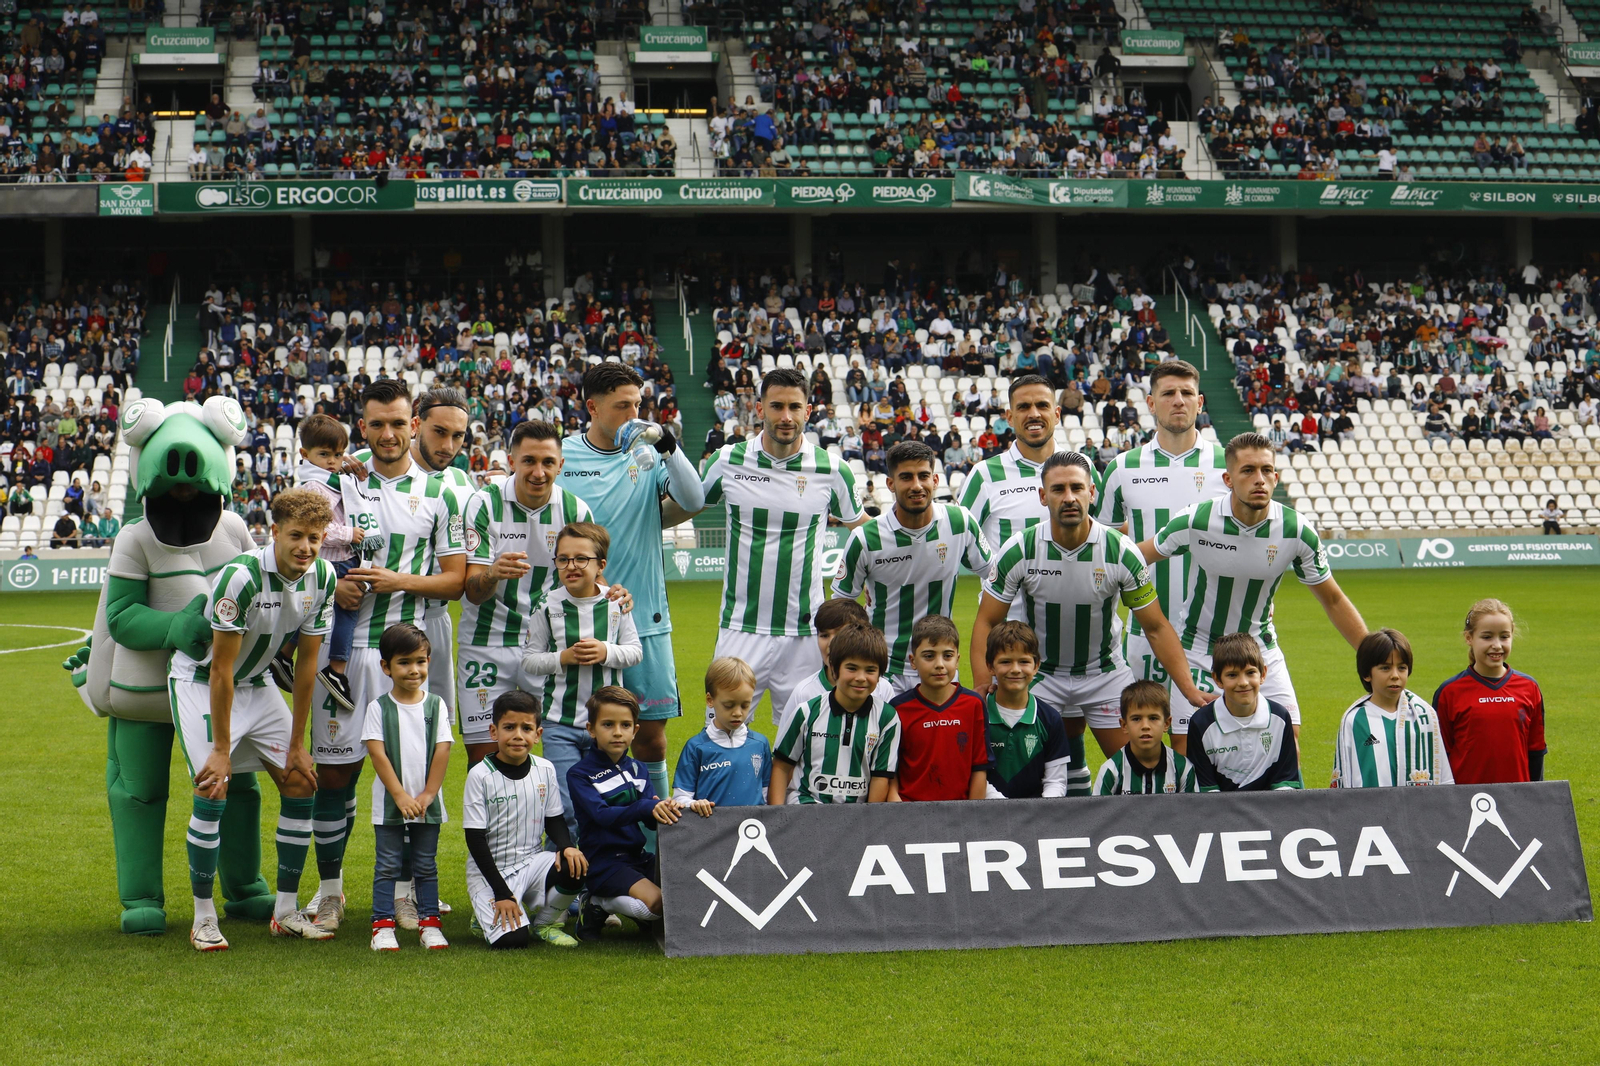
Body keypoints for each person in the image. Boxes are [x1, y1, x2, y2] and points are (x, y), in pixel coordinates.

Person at [307, 380, 466, 934]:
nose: (388, 434)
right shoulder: (337, 483)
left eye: (398, 423)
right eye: (376, 424)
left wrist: (393, 579)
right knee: (335, 775)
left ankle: (402, 892)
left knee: (410, 777)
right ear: (363, 426)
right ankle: (330, 893)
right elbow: (298, 555)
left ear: (415, 422)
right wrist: (335, 585)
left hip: (407, 663)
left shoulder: (442, 493)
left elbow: (454, 582)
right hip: (344, 654)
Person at [972, 451, 1207, 787]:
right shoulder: (1020, 548)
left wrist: (1189, 689)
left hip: (1104, 676)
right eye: (1058, 489)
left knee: (1137, 771)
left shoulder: (1121, 550)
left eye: (1077, 488)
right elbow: (987, 621)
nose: (1069, 497)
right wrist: (983, 681)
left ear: (1091, 492)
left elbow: (1155, 627)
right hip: (1040, 678)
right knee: (1026, 779)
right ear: (1043, 496)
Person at [169, 488, 338, 951]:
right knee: (212, 784)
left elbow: (307, 666)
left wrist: (298, 742)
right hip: (203, 682)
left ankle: (285, 912)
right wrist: (222, 750)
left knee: (301, 779)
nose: (306, 548)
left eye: (316, 539)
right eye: (297, 537)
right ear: (275, 532)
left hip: (258, 683)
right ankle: (203, 918)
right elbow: (221, 668)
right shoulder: (240, 577)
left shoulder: (322, 576)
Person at [1140, 432, 1368, 741]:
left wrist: (1371, 654)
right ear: (1228, 479)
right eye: (1247, 470)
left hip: (1261, 650)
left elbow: (1334, 600)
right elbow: (1136, 558)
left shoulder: (1296, 530)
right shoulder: (1197, 521)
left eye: (1266, 470)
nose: (1259, 479)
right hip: (1198, 648)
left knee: (1288, 739)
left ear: (1276, 476)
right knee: (1188, 746)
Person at [561, 364, 705, 814]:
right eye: (622, 406)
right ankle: (588, 839)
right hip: (581, 618)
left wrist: (666, 444)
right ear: (592, 407)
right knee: (583, 733)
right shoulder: (564, 457)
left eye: (638, 404)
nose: (634, 414)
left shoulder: (647, 455)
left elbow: (694, 500)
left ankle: (653, 837)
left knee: (651, 736)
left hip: (645, 617)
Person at [702, 367, 866, 720]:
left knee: (807, 740)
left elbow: (864, 529)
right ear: (759, 409)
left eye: (795, 407)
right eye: (776, 406)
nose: (786, 416)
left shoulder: (833, 470)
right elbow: (684, 506)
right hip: (740, 627)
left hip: (805, 633)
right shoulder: (727, 461)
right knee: (721, 733)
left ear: (808, 411)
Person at [1093, 360, 1229, 743]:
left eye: (1187, 393)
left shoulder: (1226, 466)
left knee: (1206, 747)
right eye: (1168, 394)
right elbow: (1104, 543)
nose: (1178, 401)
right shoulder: (1122, 468)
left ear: (1200, 402)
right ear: (1151, 403)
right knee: (1146, 747)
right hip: (1144, 631)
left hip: (1212, 636)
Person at [459, 420, 597, 765]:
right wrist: (492, 573)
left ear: (560, 465)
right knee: (485, 754)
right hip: (486, 641)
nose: (539, 472)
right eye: (529, 461)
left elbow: (586, 584)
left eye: (548, 462)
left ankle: (552, 818)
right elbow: (473, 592)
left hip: (549, 645)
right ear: (511, 461)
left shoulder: (575, 511)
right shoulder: (484, 505)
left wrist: (612, 594)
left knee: (560, 748)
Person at [351, 388, 475, 717]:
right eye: (440, 432)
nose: (448, 446)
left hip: (431, 619)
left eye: (458, 436)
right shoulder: (355, 472)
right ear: (419, 427)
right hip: (359, 620)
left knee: (430, 731)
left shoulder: (462, 484)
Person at [521, 521, 643, 842]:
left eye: (581, 559)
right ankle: (560, 884)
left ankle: (603, 877)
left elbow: (634, 652)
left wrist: (605, 651)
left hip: (607, 723)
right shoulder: (547, 605)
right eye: (563, 559)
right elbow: (530, 661)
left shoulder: (616, 603)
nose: (571, 566)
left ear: (600, 565)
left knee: (609, 801)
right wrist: (563, 658)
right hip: (561, 723)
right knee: (565, 807)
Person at [833, 441, 990, 683]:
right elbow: (841, 606)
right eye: (906, 477)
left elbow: (995, 577)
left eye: (923, 476)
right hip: (884, 672)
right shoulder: (866, 538)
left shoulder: (960, 523)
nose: (917, 485)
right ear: (891, 484)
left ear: (935, 480)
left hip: (940, 668)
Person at [567, 686, 702, 938]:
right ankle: (596, 902)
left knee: (687, 891)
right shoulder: (579, 774)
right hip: (603, 862)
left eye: (625, 725)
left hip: (637, 857)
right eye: (608, 724)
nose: (617, 732)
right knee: (657, 904)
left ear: (635, 730)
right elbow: (602, 816)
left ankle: (638, 914)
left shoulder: (639, 769)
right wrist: (644, 806)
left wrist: (663, 809)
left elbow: (651, 823)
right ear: (591, 729)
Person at [462, 690, 586, 950]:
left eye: (526, 728)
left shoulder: (545, 769)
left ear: (537, 735)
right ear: (494, 731)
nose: (518, 735)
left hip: (532, 862)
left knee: (577, 865)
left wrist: (567, 847)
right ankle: (484, 914)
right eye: (509, 727)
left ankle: (545, 923)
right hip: (490, 872)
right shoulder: (480, 775)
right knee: (513, 941)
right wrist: (502, 893)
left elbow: (554, 820)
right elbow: (475, 839)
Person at [362, 622, 452, 951]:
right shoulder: (378, 708)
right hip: (390, 803)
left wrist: (428, 794)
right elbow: (377, 753)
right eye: (404, 662)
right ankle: (382, 926)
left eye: (420, 661)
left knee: (425, 864)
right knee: (387, 863)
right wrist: (399, 795)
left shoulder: (436, 705)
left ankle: (429, 923)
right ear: (386, 667)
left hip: (428, 803)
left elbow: (443, 749)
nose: (414, 670)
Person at [284, 414, 369, 711]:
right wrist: (351, 534)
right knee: (345, 612)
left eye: (337, 454)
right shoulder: (315, 486)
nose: (333, 461)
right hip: (334, 561)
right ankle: (336, 670)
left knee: (314, 609)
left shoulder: (333, 481)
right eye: (324, 454)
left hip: (338, 560)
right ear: (305, 455)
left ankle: (285, 654)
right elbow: (317, 528)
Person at [770, 623, 900, 804]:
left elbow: (881, 777)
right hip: (805, 808)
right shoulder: (807, 712)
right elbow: (781, 766)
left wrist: (869, 825)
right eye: (852, 668)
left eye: (870, 670)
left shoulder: (887, 718)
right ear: (834, 667)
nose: (861, 677)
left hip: (856, 817)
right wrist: (777, 817)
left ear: (880, 674)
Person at [1432, 598, 1546, 785]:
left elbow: (1536, 751)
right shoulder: (1449, 692)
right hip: (1466, 801)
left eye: (1504, 636)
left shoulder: (1529, 687)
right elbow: (1440, 755)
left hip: (1517, 799)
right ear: (1469, 638)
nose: (1497, 645)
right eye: (1487, 637)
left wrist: (1534, 798)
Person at [1332, 629, 1452, 788]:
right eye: (1385, 668)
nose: (1395, 675)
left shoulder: (1424, 715)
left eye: (1401, 668)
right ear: (1367, 674)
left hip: (1416, 811)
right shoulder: (1354, 720)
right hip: (1369, 810)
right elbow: (1344, 777)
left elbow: (1443, 775)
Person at [885, 616, 987, 801]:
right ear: (913, 661)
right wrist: (898, 809)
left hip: (960, 816)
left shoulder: (973, 704)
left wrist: (974, 815)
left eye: (947, 656)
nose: (939, 664)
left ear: (957, 660)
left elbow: (979, 767)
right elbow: (891, 770)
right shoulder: (898, 709)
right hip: (911, 813)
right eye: (929, 656)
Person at [1184, 633, 1302, 791]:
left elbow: (1285, 783)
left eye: (1250, 672)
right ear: (1218, 679)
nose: (1243, 683)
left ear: (1263, 674)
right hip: (1221, 812)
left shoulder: (1280, 718)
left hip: (1271, 811)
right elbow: (1206, 789)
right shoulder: (1201, 723)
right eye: (1232, 675)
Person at [958, 374, 1060, 549]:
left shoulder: (1082, 467)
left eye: (1042, 405)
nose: (1034, 414)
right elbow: (958, 538)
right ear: (1010, 418)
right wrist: (992, 572)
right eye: (1024, 407)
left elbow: (1106, 529)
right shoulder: (984, 474)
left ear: (1056, 414)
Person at [775, 598, 898, 733]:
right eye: (824, 635)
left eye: (840, 634)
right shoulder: (804, 692)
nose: (831, 644)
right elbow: (785, 747)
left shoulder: (882, 689)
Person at [980, 621, 1070, 798]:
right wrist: (1004, 808)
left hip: (1036, 818)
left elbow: (1056, 781)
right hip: (988, 815)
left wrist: (1039, 812)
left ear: (1036, 666)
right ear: (990, 666)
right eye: (1005, 662)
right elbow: (972, 774)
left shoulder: (1050, 719)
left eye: (1024, 662)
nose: (1015, 669)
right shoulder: (977, 715)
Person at [672, 657, 772, 809]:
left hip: (752, 829)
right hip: (712, 830)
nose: (738, 713)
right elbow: (680, 797)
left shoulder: (760, 744)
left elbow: (767, 794)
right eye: (729, 705)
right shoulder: (696, 747)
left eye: (745, 705)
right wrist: (694, 804)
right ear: (710, 700)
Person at [1092, 680, 1196, 795]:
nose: (1145, 726)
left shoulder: (1183, 768)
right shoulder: (1111, 771)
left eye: (1153, 718)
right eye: (1136, 719)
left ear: (1166, 724)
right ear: (1124, 725)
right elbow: (1098, 812)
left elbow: (1191, 811)